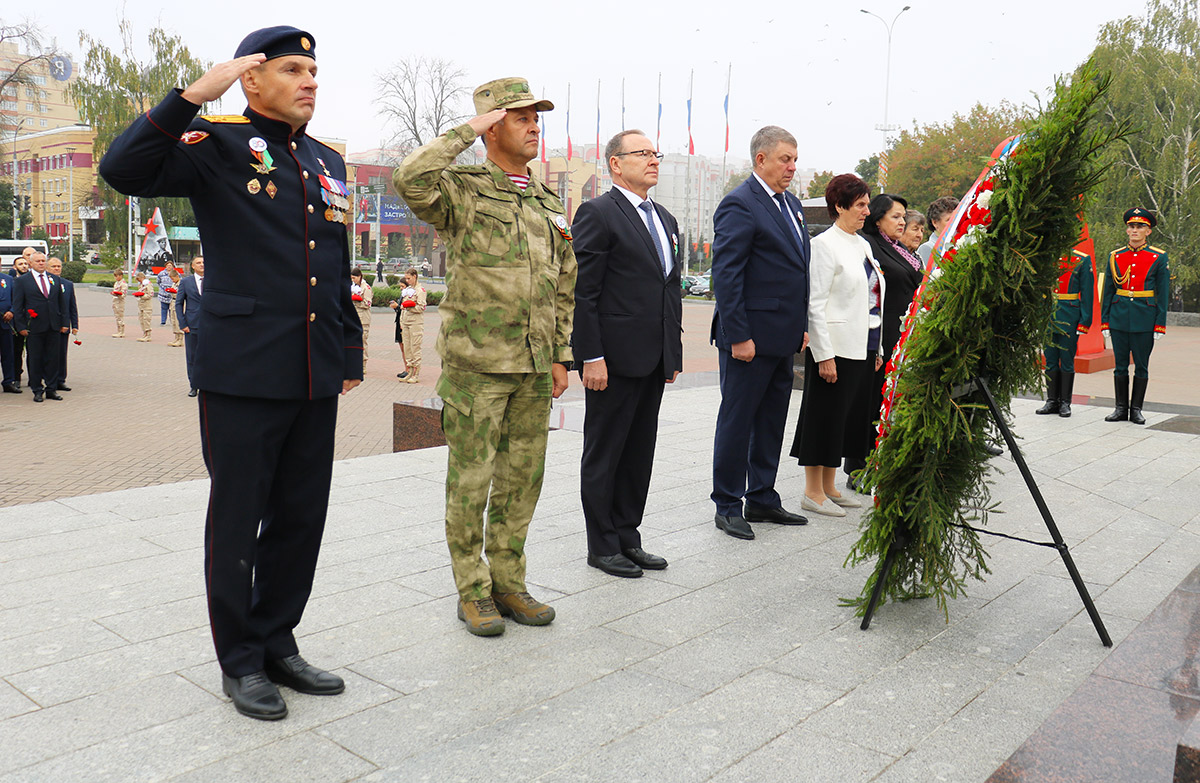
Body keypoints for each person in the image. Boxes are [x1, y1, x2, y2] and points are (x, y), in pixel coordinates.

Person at [99, 25, 364, 721]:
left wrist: (351, 350)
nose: (311, 80)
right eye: (294, 69)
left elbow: (331, 263)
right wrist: (190, 96)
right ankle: (240, 659)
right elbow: (123, 171)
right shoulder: (213, 143)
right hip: (243, 368)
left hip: (313, 369)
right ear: (251, 79)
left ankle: (278, 638)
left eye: (314, 69)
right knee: (240, 514)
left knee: (302, 514)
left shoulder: (327, 160)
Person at [393, 76, 575, 637]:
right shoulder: (464, 190)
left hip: (533, 367)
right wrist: (465, 132)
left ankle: (509, 583)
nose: (534, 125)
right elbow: (409, 179)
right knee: (470, 484)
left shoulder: (547, 201)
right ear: (493, 125)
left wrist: (561, 354)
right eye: (522, 117)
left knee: (523, 482)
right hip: (478, 367)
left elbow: (564, 280)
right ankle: (471, 590)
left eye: (536, 117)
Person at [573, 129, 682, 578]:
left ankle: (627, 538)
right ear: (616, 164)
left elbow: (668, 288)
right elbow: (584, 292)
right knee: (606, 453)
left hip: (653, 357)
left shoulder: (666, 219)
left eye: (656, 153)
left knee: (639, 453)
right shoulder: (597, 213)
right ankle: (601, 545)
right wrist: (590, 355)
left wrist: (671, 352)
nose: (653, 160)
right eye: (643, 154)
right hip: (612, 361)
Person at [710, 125, 810, 541]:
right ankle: (728, 503)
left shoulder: (792, 205)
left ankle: (763, 497)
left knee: (771, 419)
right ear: (761, 159)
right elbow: (727, 275)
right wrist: (738, 336)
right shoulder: (740, 203)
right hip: (748, 338)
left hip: (783, 336)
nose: (792, 167)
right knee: (738, 420)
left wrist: (800, 327)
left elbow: (797, 271)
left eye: (795, 159)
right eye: (785, 158)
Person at [790, 174, 883, 516]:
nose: (866, 211)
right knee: (823, 418)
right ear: (840, 206)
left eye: (867, 204)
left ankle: (830, 487)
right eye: (860, 205)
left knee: (845, 420)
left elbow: (873, 299)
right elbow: (815, 303)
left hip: (863, 345)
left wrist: (880, 349)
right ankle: (812, 491)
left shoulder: (863, 245)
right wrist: (823, 354)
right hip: (835, 347)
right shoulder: (824, 245)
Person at [1100, 207, 1169, 425]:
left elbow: (1163, 293)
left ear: (1148, 231)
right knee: (1120, 365)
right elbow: (1108, 291)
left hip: (1144, 318)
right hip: (1119, 316)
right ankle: (1120, 408)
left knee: (1141, 365)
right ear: (1127, 230)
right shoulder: (1115, 256)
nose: (1135, 230)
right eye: (1131, 226)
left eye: (1140, 226)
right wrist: (1105, 321)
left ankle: (1136, 409)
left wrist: (1159, 324)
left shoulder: (1158, 257)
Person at [1036, 248, 1093, 418]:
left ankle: (1065, 402)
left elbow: (1087, 293)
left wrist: (1084, 321)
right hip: (1048, 314)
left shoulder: (1081, 259)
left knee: (1067, 360)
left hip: (1070, 315)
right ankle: (1052, 400)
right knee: (1050, 359)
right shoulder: (1045, 255)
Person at [11, 251, 68, 402]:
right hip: (33, 327)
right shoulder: (22, 281)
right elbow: (18, 306)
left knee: (53, 358)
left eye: (43, 261)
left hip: (53, 326)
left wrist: (64, 323)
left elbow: (61, 304)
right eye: (38, 261)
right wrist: (21, 326)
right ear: (31, 264)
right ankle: (37, 389)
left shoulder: (54, 279)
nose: (41, 263)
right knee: (35, 359)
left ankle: (51, 389)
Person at [45, 257, 78, 392]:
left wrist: (74, 325)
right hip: (47, 325)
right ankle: (46, 378)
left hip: (63, 325)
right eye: (53, 266)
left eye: (59, 266)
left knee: (61, 353)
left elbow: (72, 306)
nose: (57, 269)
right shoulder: (43, 283)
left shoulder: (68, 284)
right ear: (47, 268)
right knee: (47, 354)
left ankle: (60, 380)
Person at [176, 256, 205, 397]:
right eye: (198, 263)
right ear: (192, 266)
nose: (202, 265)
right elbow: (179, 303)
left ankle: (207, 386)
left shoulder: (213, 281)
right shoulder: (186, 282)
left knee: (209, 356)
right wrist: (183, 324)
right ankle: (194, 386)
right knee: (192, 357)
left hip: (210, 326)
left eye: (203, 262)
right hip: (192, 326)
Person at [395, 267, 426, 383]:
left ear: (415, 277)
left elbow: (421, 307)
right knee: (407, 349)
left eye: (409, 278)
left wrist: (410, 306)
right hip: (406, 323)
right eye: (406, 278)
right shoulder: (408, 290)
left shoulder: (420, 290)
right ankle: (409, 372)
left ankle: (416, 374)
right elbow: (403, 308)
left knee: (415, 349)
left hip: (415, 323)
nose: (407, 280)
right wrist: (402, 322)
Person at [9, 250, 30, 388]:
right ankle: (16, 377)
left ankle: (36, 377)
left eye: (26, 264)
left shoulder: (33, 280)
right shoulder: (12, 282)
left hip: (33, 321)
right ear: (15, 267)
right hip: (17, 322)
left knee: (34, 351)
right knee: (17, 351)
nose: (24, 266)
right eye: (20, 264)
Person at [918, 197, 959, 263]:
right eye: (949, 220)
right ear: (935, 222)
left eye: (956, 219)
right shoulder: (927, 248)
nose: (954, 223)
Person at [349, 268, 372, 371]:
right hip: (354, 317)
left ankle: (363, 364)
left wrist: (357, 300)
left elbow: (368, 304)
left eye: (354, 278)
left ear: (359, 276)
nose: (353, 280)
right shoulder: (353, 287)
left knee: (362, 341)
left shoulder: (366, 288)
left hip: (363, 318)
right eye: (351, 278)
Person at [0, 268, 15, 393]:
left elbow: (16, 299)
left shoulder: (9, 280)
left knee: (8, 355)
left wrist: (12, 311)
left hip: (5, 324)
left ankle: (8, 382)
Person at [165, 267, 184, 347]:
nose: (172, 280)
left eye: (173, 279)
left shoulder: (182, 283)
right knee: (173, 320)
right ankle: (176, 337)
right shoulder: (174, 284)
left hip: (179, 302)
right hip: (172, 302)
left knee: (177, 321)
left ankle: (180, 339)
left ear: (177, 276)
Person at [133, 272, 154, 341]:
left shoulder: (148, 285)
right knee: (141, 320)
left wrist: (142, 296)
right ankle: (144, 333)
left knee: (146, 319)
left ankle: (148, 335)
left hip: (147, 305)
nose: (139, 281)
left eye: (139, 279)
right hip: (141, 305)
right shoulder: (141, 285)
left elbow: (150, 294)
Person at [157, 260, 177, 325]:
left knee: (172, 309)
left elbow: (179, 280)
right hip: (163, 294)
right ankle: (163, 321)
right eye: (168, 265)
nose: (169, 267)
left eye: (170, 265)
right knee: (164, 308)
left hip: (172, 295)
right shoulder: (161, 273)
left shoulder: (176, 273)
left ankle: (173, 321)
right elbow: (158, 282)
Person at [111, 268, 129, 338]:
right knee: (117, 316)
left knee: (120, 316)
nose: (115, 278)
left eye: (117, 276)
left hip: (120, 302)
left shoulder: (123, 284)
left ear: (120, 276)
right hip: (115, 301)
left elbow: (123, 294)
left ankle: (121, 331)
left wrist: (119, 294)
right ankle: (118, 330)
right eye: (115, 276)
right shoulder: (116, 283)